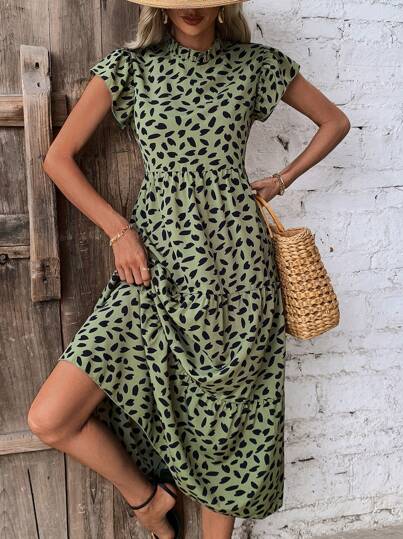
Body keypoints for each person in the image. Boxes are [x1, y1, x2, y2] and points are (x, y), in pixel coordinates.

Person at [27, 1, 351, 538]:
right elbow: (57, 159)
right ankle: (147, 500)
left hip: (238, 269)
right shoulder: (130, 68)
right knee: (50, 417)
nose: (192, 8)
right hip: (152, 266)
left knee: (226, 418)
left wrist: (281, 179)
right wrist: (119, 231)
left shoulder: (256, 64)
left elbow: (334, 122)